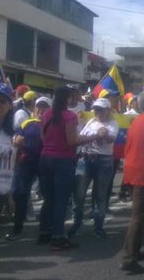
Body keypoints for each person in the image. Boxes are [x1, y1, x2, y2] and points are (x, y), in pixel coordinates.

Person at [38, 86, 107, 251]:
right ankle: (58, 237)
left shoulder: (46, 114)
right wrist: (95, 136)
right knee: (61, 199)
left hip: (45, 158)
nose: (76, 100)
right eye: (73, 97)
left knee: (49, 199)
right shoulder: (69, 116)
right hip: (62, 161)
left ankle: (44, 233)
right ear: (66, 98)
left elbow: (43, 138)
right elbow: (72, 141)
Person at [0, 83, 31, 280]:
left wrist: (8, 196)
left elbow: (3, 170)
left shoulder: (10, 136)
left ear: (10, 105)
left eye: (2, 101)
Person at [69, 98, 119, 239]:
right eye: (96, 109)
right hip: (86, 158)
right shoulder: (91, 122)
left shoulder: (113, 123)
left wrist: (106, 134)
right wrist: (96, 133)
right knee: (79, 194)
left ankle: (98, 227)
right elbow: (80, 136)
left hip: (103, 161)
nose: (98, 112)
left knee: (100, 196)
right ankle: (76, 223)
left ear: (108, 110)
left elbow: (111, 138)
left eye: (101, 109)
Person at [120, 92, 144, 275]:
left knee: (139, 215)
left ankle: (134, 251)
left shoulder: (136, 120)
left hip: (132, 169)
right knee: (139, 216)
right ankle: (129, 258)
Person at [6, 96, 51, 241]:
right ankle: (17, 229)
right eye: (39, 107)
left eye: (45, 107)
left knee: (48, 195)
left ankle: (47, 229)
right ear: (34, 108)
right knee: (20, 194)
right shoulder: (27, 123)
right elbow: (16, 136)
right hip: (26, 163)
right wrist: (16, 140)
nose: (41, 110)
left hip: (45, 163)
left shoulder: (52, 125)